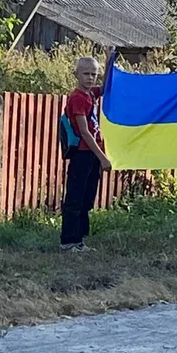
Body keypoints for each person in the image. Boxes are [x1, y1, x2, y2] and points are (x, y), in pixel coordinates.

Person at [60, 56, 112, 253]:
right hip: (83, 153)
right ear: (77, 75)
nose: (90, 78)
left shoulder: (90, 95)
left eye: (94, 74)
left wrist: (109, 61)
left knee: (86, 198)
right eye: (86, 74)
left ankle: (79, 241)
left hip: (92, 155)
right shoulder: (77, 98)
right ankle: (68, 241)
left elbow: (106, 87)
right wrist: (102, 157)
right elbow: (84, 132)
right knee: (75, 198)